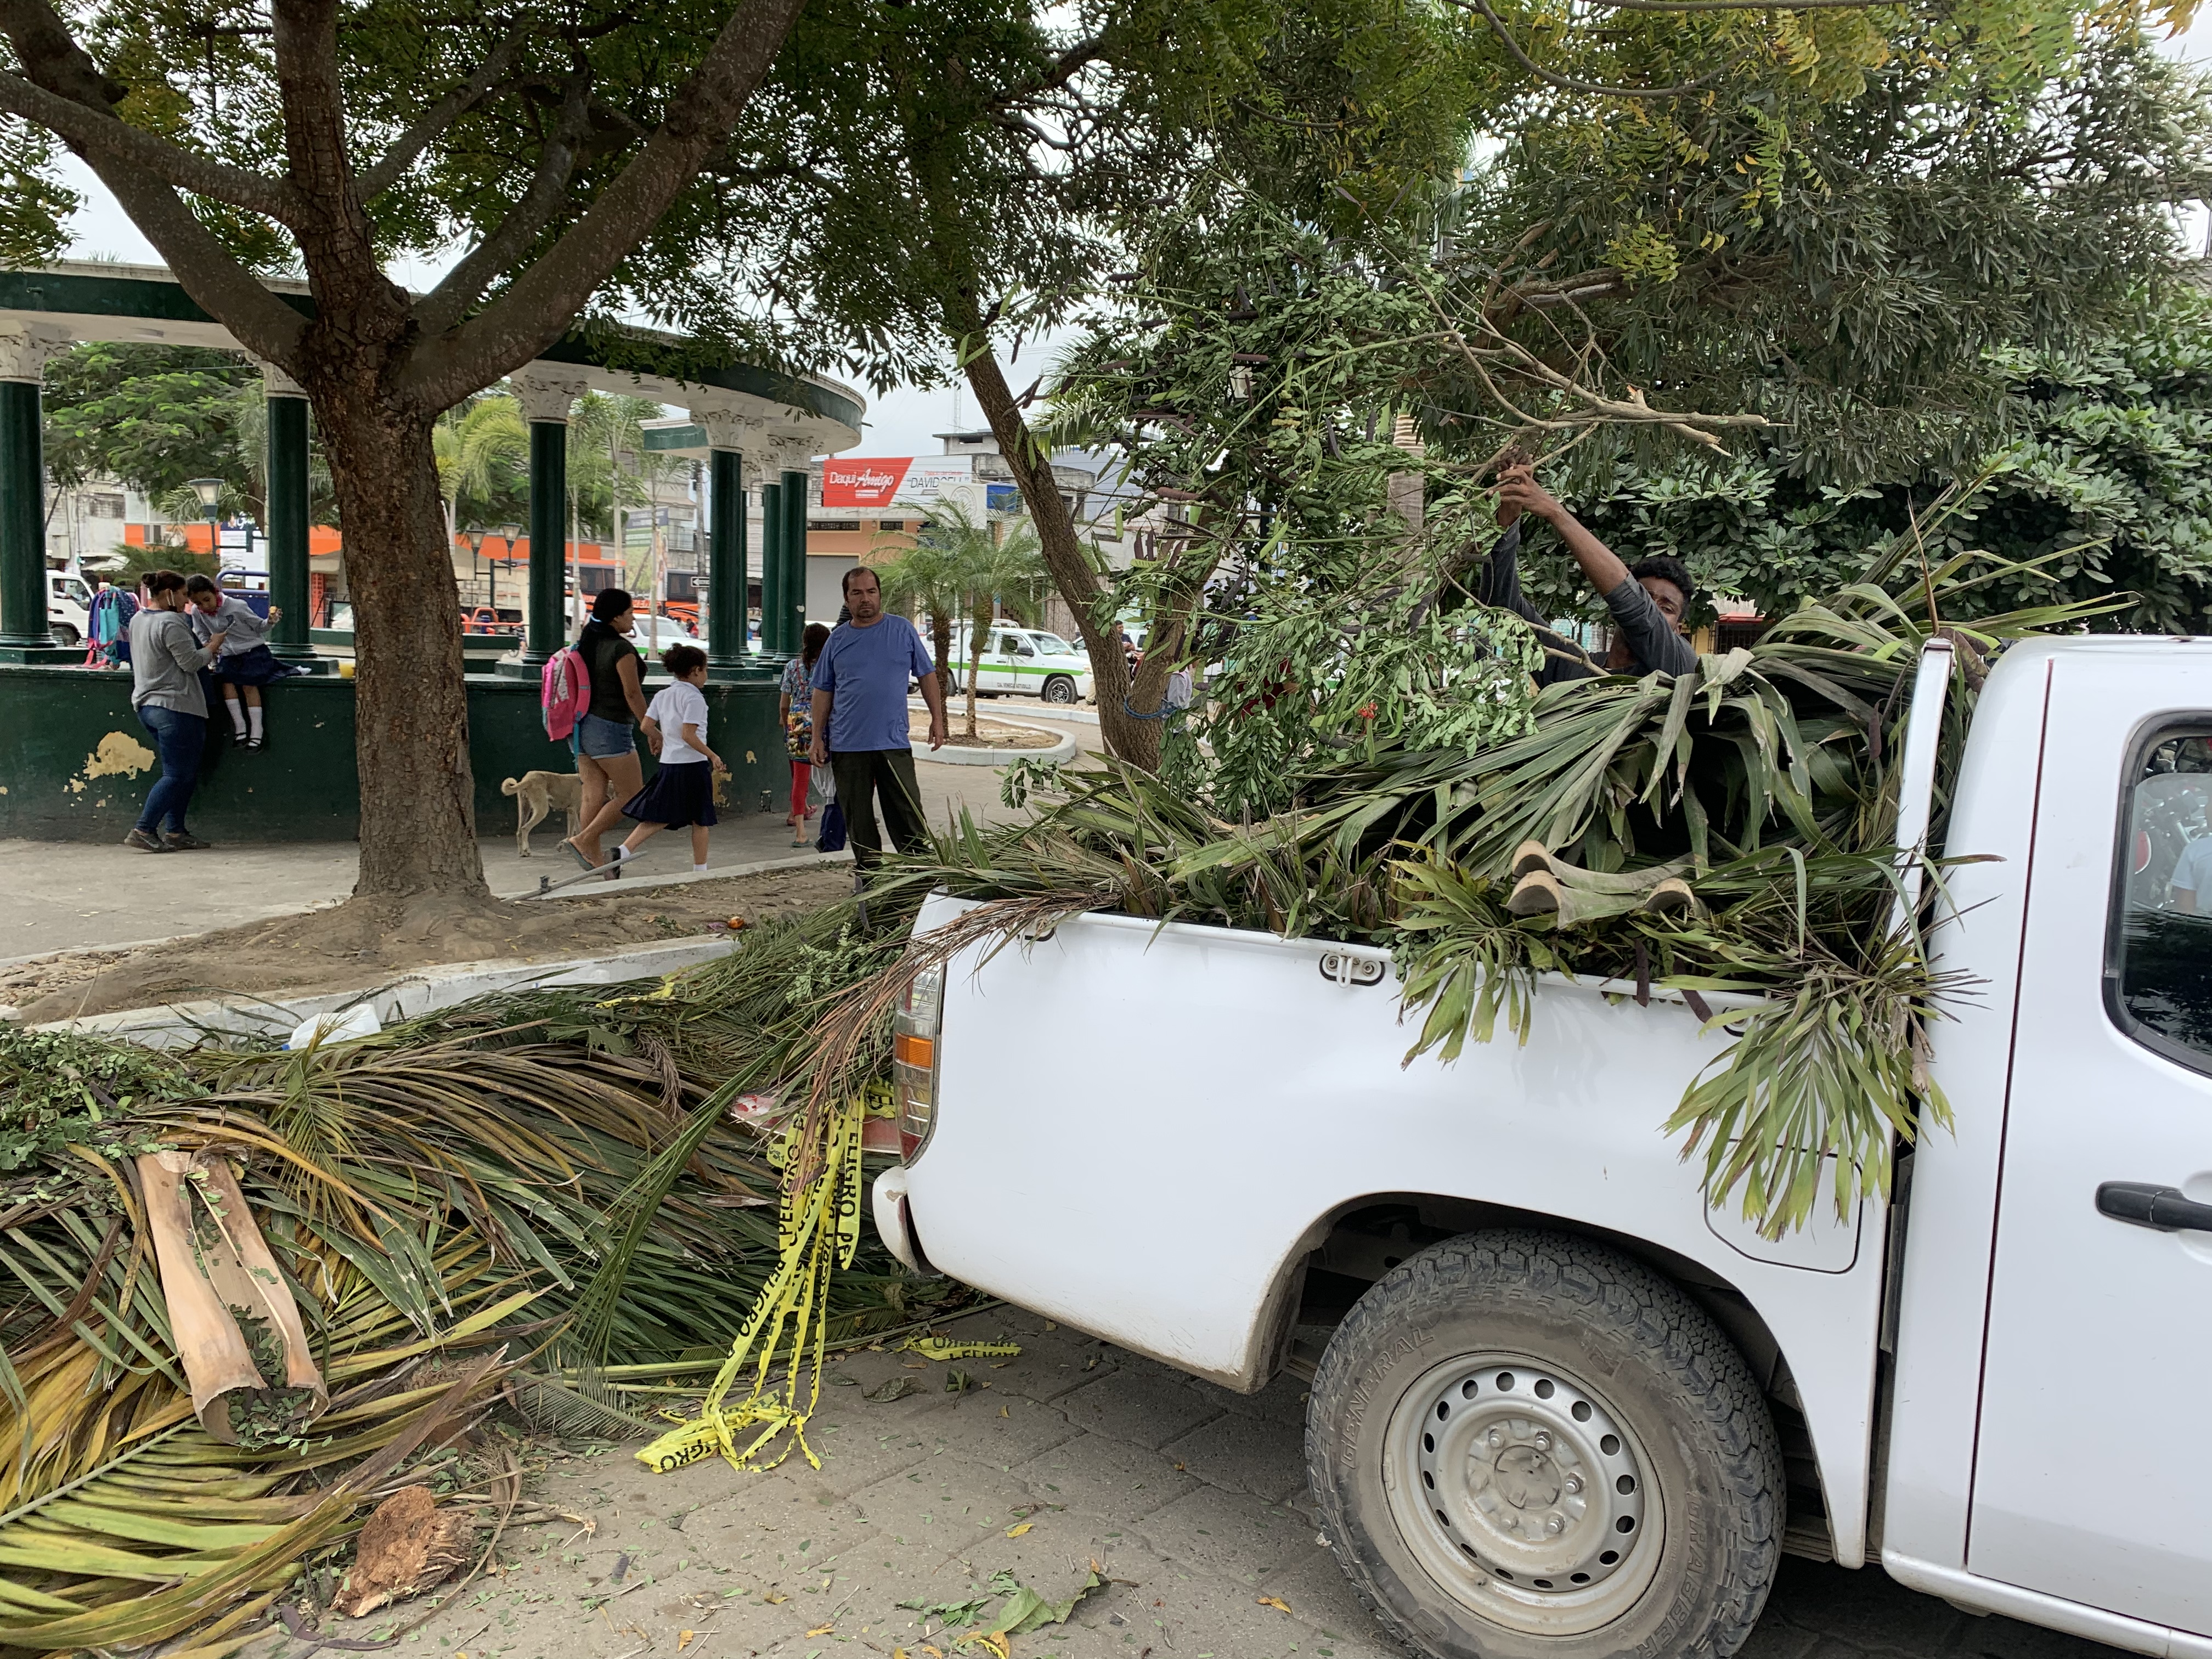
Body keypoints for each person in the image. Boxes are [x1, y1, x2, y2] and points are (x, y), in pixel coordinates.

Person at [1487, 464, 1698, 679]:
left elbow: (1636, 610)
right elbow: (1504, 609)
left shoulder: (1679, 668)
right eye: (1646, 596)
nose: (1653, 610)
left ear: (1678, 630)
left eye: (1666, 608)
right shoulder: (1571, 668)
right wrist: (1510, 512)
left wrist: (1554, 511)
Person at [809, 567, 948, 868]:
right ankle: (870, 882)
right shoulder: (837, 640)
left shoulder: (902, 630)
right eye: (857, 593)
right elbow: (823, 690)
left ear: (880, 595)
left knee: (908, 817)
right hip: (848, 746)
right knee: (858, 823)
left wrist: (938, 719)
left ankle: (920, 878)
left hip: (893, 744)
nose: (865, 599)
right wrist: (816, 737)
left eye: (871, 592)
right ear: (847, 598)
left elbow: (926, 675)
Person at [123, 569, 226, 851]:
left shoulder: (138, 619)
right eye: (182, 595)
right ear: (169, 594)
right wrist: (213, 646)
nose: (187, 601)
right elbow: (191, 663)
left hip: (147, 706)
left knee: (183, 773)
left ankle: (176, 832)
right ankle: (144, 829)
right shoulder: (171, 623)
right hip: (176, 707)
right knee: (177, 775)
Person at [606, 643, 724, 874]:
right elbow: (689, 735)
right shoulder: (695, 699)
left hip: (669, 765)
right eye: (705, 670)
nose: (706, 675)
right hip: (693, 765)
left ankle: (622, 852)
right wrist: (712, 755)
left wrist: (662, 739)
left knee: (660, 815)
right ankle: (700, 870)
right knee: (701, 820)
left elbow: (646, 726)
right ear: (696, 671)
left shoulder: (663, 695)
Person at [561, 588, 651, 870]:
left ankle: (594, 860)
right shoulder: (621, 650)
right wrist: (650, 728)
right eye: (630, 613)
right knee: (632, 794)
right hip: (610, 728)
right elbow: (632, 693)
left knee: (593, 793)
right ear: (615, 617)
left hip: (580, 728)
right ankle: (583, 840)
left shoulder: (585, 643)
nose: (633, 619)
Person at [183, 574, 298, 748]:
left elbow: (259, 626)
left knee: (248, 684)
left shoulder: (237, 606)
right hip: (229, 655)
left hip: (253, 652)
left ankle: (257, 731)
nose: (205, 606)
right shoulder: (197, 612)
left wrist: (270, 621)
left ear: (215, 592)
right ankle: (240, 726)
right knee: (226, 682)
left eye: (207, 600)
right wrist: (208, 644)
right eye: (198, 603)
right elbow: (201, 632)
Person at [781, 622, 830, 846]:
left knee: (799, 779)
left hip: (797, 724)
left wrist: (788, 726)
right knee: (834, 775)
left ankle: (800, 830)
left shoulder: (792, 667)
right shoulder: (829, 666)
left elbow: (784, 704)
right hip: (824, 723)